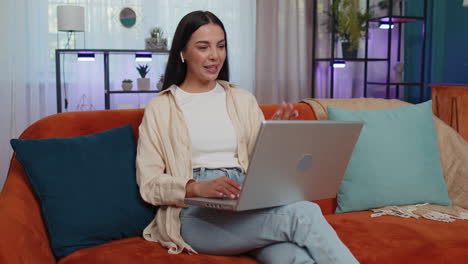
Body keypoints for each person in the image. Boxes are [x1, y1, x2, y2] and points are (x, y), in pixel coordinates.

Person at [136, 10, 358, 264]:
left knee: (293, 257)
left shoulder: (242, 99)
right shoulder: (161, 108)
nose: (214, 56)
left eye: (221, 46)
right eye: (203, 47)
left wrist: (274, 136)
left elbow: (261, 167)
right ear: (183, 52)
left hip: (247, 200)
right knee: (303, 214)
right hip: (196, 214)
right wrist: (196, 187)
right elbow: (149, 183)